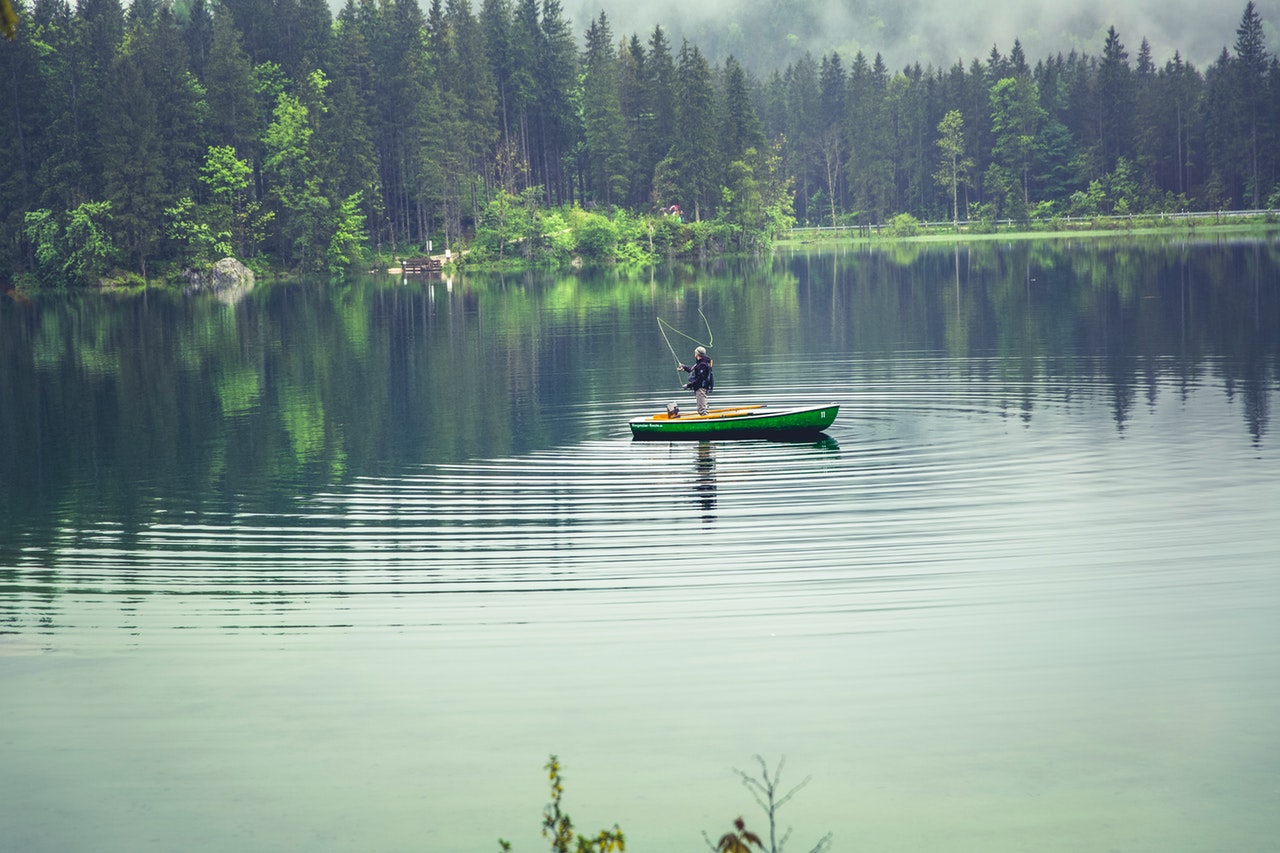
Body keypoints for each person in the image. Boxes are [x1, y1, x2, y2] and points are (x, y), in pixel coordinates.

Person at [679, 346, 714, 415]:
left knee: (702, 410)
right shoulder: (700, 363)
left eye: (695, 353)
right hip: (701, 388)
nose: (694, 354)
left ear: (697, 354)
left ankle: (706, 422)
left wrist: (688, 386)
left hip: (701, 389)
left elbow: (699, 380)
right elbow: (691, 370)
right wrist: (683, 367)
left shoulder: (702, 365)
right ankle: (706, 419)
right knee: (703, 407)